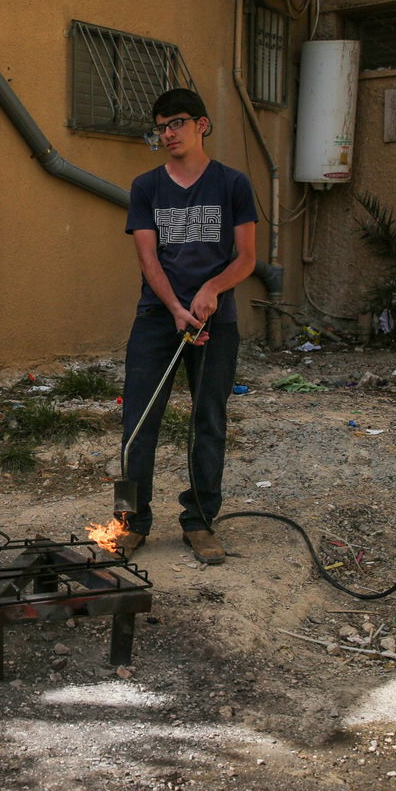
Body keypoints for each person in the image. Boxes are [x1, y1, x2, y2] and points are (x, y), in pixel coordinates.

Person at [117, 87, 258, 565]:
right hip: (159, 318)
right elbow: (147, 256)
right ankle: (130, 522)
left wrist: (212, 288)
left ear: (202, 124)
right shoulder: (147, 187)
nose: (168, 133)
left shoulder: (232, 184)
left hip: (217, 319)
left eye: (176, 122)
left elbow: (247, 258)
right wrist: (176, 307)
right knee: (138, 421)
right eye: (160, 127)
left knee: (208, 421)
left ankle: (199, 521)